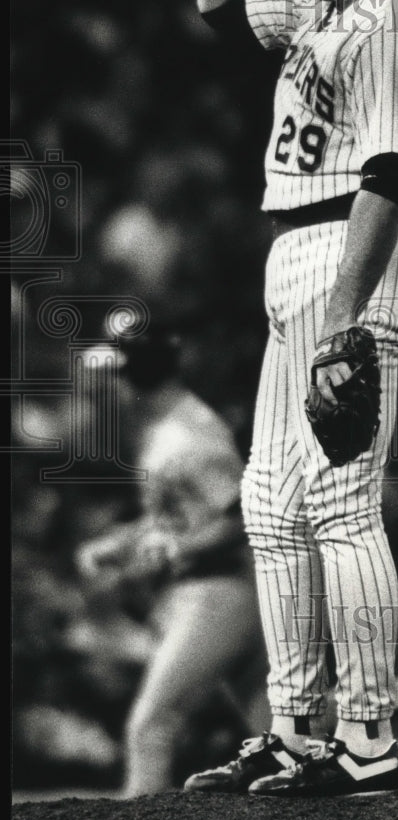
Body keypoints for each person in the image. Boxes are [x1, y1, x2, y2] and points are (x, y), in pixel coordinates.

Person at [184, 0, 398, 797]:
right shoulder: (319, 2)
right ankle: (298, 728)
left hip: (358, 251)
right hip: (302, 252)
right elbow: (217, 3)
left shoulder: (390, 23)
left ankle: (369, 738)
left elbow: (387, 177)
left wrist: (343, 318)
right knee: (270, 503)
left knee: (340, 504)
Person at [76, 327, 268, 795]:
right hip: (210, 593)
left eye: (114, 375)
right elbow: (178, 517)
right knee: (283, 734)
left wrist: (176, 552)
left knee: (152, 724)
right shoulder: (167, 428)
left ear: (132, 378)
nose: (109, 387)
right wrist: (122, 541)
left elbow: (243, 519)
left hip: (220, 594)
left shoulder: (190, 435)